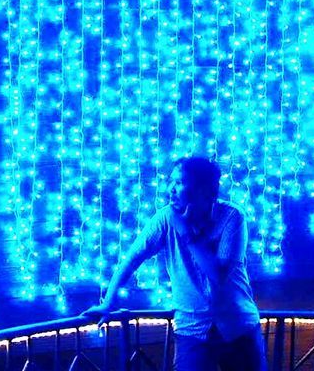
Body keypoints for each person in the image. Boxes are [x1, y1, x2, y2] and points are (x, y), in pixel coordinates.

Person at [82, 156, 266, 371]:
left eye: (179, 183)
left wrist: (186, 232)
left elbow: (219, 274)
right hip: (192, 330)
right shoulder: (165, 218)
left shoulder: (232, 217)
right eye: (171, 182)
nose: (170, 189)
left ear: (203, 190)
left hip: (238, 326)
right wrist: (108, 303)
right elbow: (131, 260)